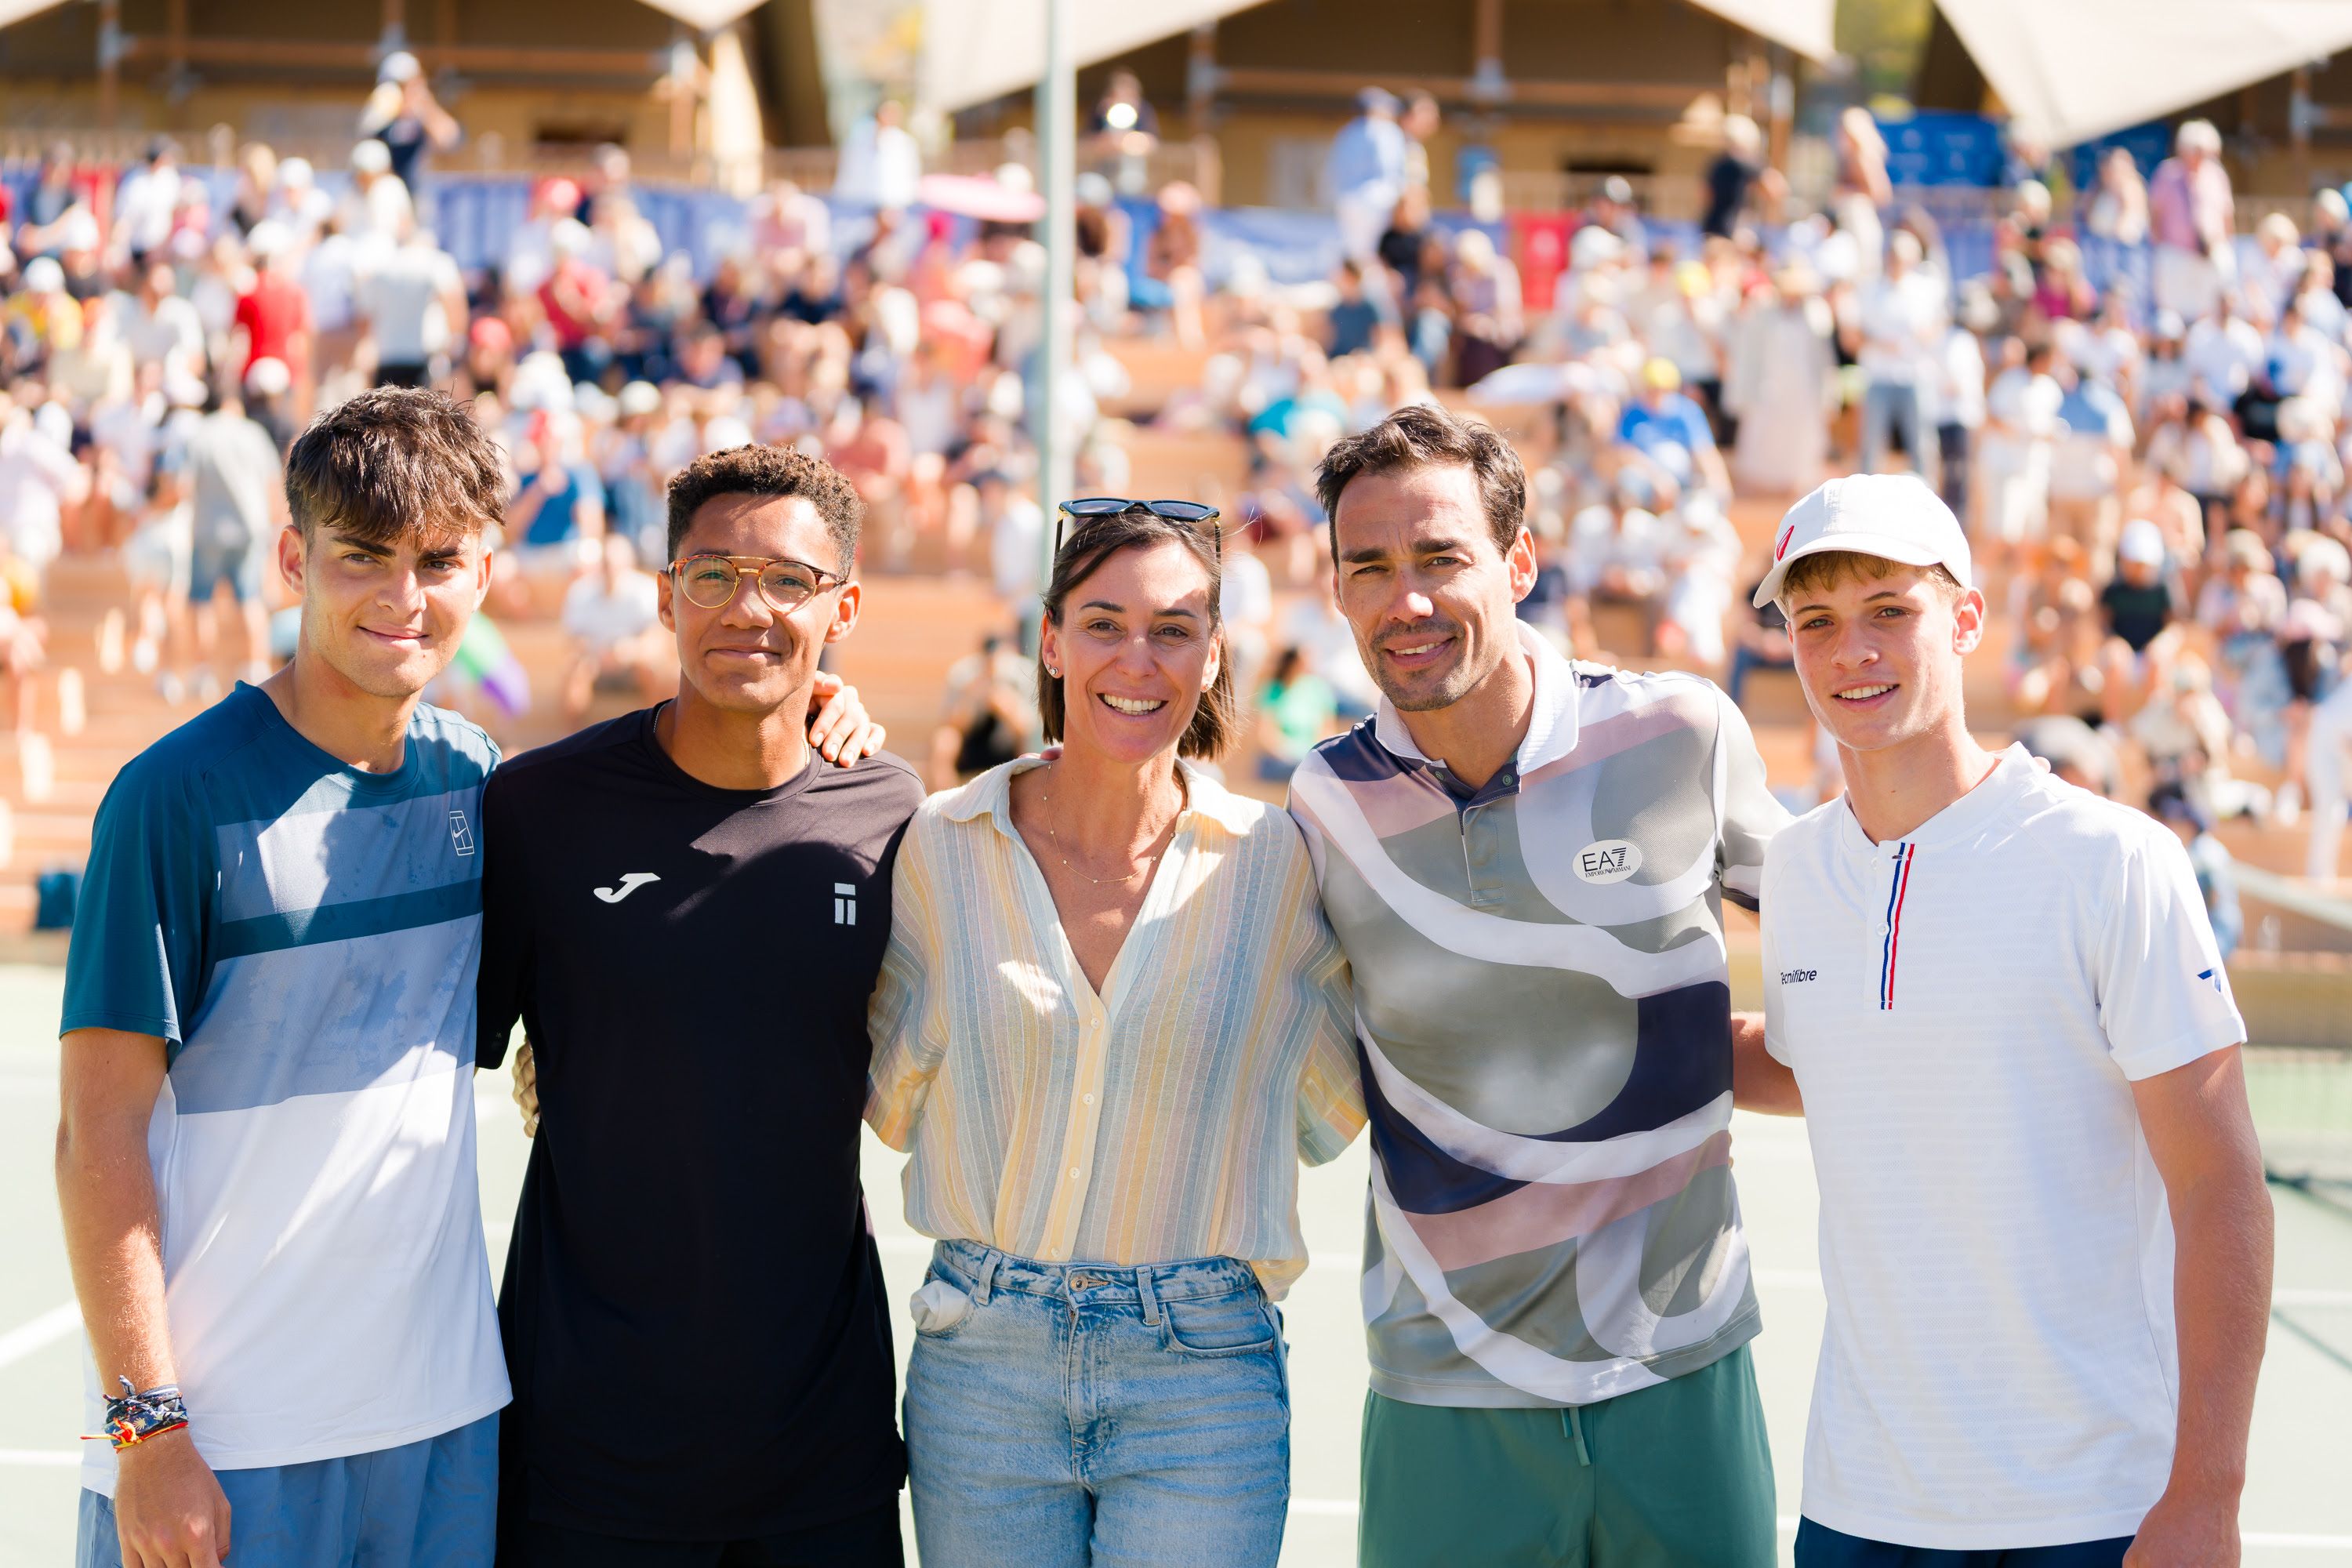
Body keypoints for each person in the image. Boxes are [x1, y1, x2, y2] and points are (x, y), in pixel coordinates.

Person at [1739, 474, 2270, 1567]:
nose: (1852, 650)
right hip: (1858, 1506)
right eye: (1816, 619)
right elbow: (1825, 1059)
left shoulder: (2113, 860)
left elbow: (2220, 1188)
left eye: (1891, 609)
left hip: (2099, 1510)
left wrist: (2207, 1493)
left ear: (1968, 620)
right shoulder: (1794, 869)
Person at [1294, 405, 1787, 1567]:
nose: (1406, 599)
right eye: (1370, 567)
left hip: (1681, 1372)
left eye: (1441, 557)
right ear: (1337, 591)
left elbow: (1858, 958)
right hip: (1443, 1393)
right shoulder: (1323, 805)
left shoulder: (1682, 732)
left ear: (1519, 563)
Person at [56, 389, 517, 1568]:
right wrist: (149, 1428)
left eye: (438, 561)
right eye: (363, 556)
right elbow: (96, 1131)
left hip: (444, 1426)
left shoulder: (478, 780)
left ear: (484, 572)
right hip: (223, 1444)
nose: (403, 597)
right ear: (293, 560)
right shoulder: (174, 796)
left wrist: (821, 707)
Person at [867, 498, 1363, 1566]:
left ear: (1213, 654)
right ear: (1051, 641)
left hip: (1204, 1379)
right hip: (980, 1369)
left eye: (1173, 628)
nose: (1137, 659)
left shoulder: (1277, 865)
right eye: (1103, 623)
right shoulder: (941, 845)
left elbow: (1335, 1107)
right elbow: (890, 1102)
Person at [479, 445, 903, 1564]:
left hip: (821, 1448)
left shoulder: (895, 813)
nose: (746, 609)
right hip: (586, 1452)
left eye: (788, 581)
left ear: (843, 607)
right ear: (666, 597)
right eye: (713, 575)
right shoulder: (537, 809)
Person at [557, 532, 670, 720]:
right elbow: (574, 642)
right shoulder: (581, 592)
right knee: (575, 672)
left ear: (629, 564)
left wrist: (628, 652)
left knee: (652, 670)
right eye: (607, 564)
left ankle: (654, 729)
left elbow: (656, 641)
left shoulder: (645, 591)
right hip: (595, 666)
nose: (611, 570)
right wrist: (596, 656)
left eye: (616, 564)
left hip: (633, 667)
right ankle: (574, 735)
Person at [2149, 120, 2236, 321]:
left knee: (2211, 305)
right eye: (2196, 151)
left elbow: (2226, 215)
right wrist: (2161, 246)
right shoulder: (2168, 174)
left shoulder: (2216, 175)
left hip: (2210, 253)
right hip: (2176, 253)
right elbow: (2156, 214)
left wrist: (2223, 243)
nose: (2200, 157)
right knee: (2173, 311)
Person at [1330, 88, 1409, 263]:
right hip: (1377, 200)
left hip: (1347, 200)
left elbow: (1334, 171)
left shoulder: (1347, 132)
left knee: (1354, 254)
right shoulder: (1385, 129)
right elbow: (1389, 169)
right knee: (1375, 254)